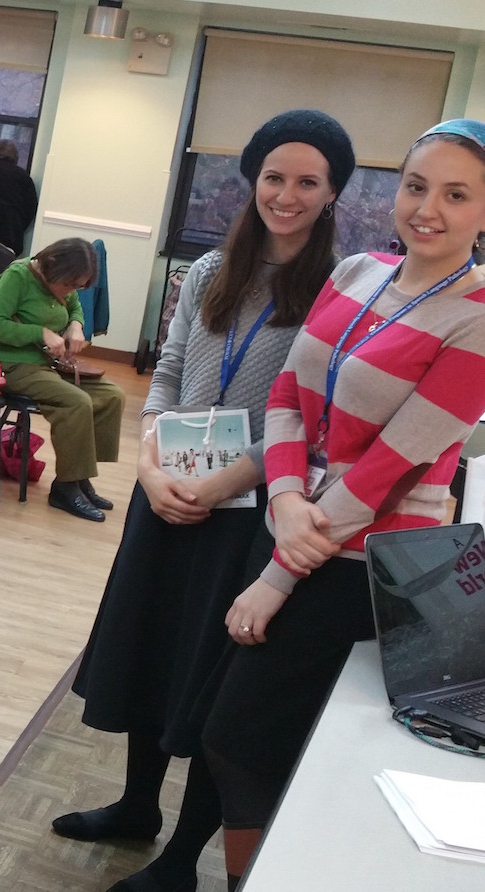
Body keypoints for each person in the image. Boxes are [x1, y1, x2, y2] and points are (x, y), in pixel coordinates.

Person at [51, 110, 356, 892]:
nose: (286, 195)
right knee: (150, 656)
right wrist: (151, 468)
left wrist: (229, 479)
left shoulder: (340, 293)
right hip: (171, 493)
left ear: (331, 195)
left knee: (214, 682)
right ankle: (135, 807)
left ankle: (182, 860)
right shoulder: (209, 271)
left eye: (307, 182)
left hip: (254, 510)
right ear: (252, 181)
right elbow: (168, 370)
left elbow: (314, 421)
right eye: (273, 178)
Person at [199, 118, 485, 891]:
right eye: (417, 186)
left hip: (357, 560)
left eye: (457, 195)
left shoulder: (478, 316)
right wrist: (285, 497)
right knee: (241, 738)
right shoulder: (358, 269)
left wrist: (283, 568)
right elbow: (290, 392)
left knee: (246, 741)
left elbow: (393, 466)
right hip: (296, 527)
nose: (427, 208)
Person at [0, 237, 125, 521]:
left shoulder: (61, 281)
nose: (71, 291)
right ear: (53, 265)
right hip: (10, 363)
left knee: (112, 396)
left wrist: (76, 324)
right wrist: (41, 333)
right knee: (76, 402)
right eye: (69, 284)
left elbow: (74, 307)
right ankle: (65, 487)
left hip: (46, 364)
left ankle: (80, 477)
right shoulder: (17, 277)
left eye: (77, 286)